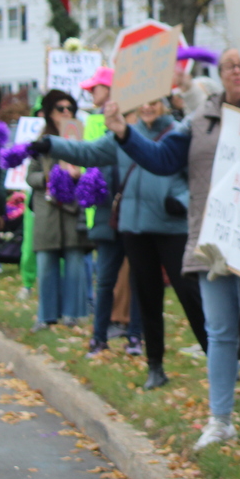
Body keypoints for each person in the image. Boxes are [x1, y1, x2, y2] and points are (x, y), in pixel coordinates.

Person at [99, 48, 240, 465]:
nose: (235, 71)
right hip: (213, 236)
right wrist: (123, 132)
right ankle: (221, 419)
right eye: (228, 65)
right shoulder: (199, 120)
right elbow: (161, 160)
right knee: (220, 331)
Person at [43, 95, 192, 385]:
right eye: (144, 103)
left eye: (154, 102)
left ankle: (220, 359)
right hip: (134, 229)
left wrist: (181, 201)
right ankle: (155, 366)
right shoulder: (126, 136)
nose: (148, 106)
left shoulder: (177, 135)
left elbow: (197, 178)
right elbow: (87, 153)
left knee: (190, 296)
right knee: (147, 298)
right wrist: (50, 145)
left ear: (164, 104)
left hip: (171, 228)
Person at [75, 67, 139, 356]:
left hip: (133, 217)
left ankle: (135, 336)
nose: (91, 94)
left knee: (137, 278)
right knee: (105, 282)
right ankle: (99, 337)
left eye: (95, 89)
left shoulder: (133, 128)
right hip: (106, 216)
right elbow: (89, 161)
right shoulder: (93, 125)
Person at [27, 90, 92, 331]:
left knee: (75, 264)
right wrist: (48, 179)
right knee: (46, 265)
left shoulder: (79, 138)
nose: (66, 113)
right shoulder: (42, 140)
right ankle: (46, 316)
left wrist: (79, 175)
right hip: (47, 213)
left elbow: (92, 171)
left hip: (73, 211)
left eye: (70, 109)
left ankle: (73, 314)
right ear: (50, 113)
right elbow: (29, 176)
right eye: (60, 109)